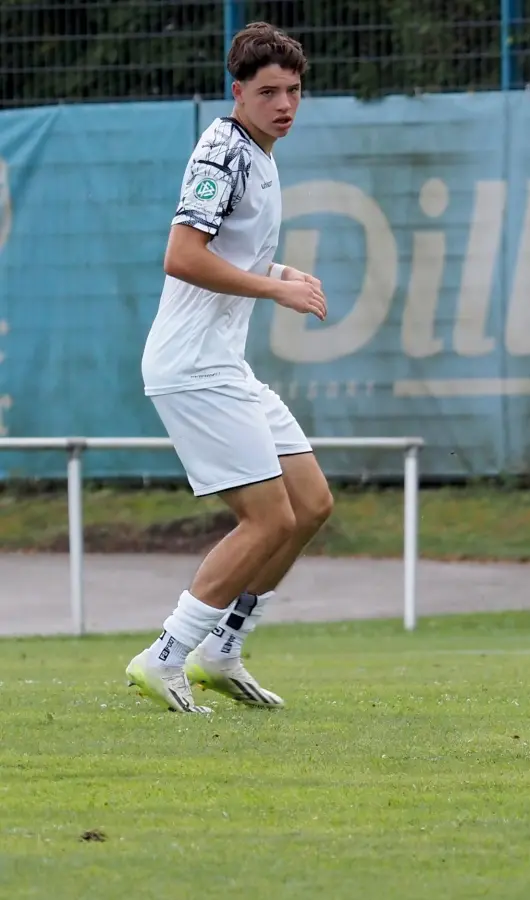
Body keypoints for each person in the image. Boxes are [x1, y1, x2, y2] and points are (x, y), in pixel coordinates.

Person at [126, 22, 333, 714]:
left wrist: (275, 269)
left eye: (294, 90)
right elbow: (182, 256)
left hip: (224, 365)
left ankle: (222, 647)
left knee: (311, 505)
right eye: (268, 91)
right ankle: (167, 654)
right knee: (268, 519)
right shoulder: (222, 149)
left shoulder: (262, 154)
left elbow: (227, 257)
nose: (284, 104)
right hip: (192, 366)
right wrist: (277, 289)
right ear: (237, 93)